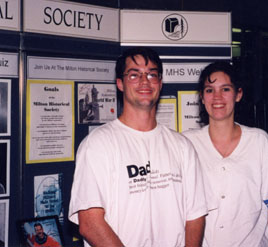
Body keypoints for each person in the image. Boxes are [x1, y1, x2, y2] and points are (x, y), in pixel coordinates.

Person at [69, 47, 207, 247]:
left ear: (160, 83)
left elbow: (195, 215)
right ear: (120, 84)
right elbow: (90, 223)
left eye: (151, 74)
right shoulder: (97, 144)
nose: (144, 81)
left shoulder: (182, 147)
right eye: (134, 75)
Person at [183, 61, 268, 246]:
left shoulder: (258, 141)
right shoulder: (186, 143)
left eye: (225, 89)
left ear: (238, 94)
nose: (217, 97)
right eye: (210, 90)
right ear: (202, 98)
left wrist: (250, 234)